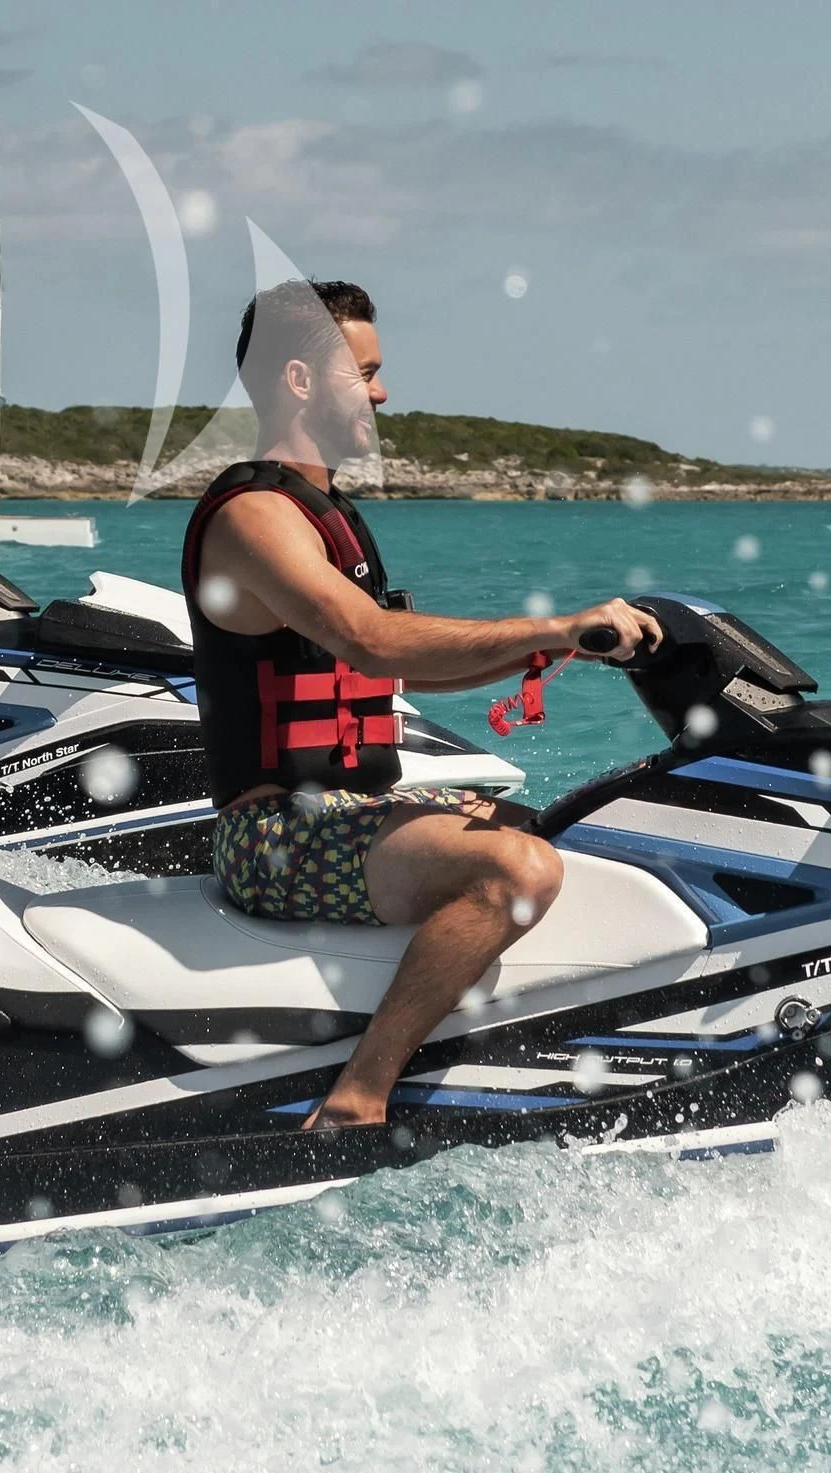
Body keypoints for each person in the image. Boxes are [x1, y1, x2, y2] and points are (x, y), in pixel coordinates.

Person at [181, 279, 658, 1129]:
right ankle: (361, 1092)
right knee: (515, 869)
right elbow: (369, 639)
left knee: (594, 827)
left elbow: (397, 674)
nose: (382, 392)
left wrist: (558, 648)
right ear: (298, 379)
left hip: (352, 810)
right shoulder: (255, 514)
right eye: (363, 372)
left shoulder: (332, 518)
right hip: (272, 834)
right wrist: (547, 626)